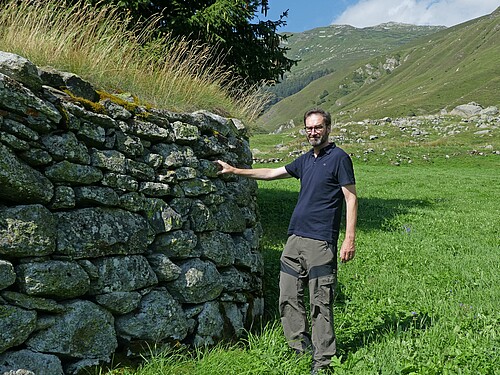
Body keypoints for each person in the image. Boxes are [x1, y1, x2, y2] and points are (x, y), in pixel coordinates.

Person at [217, 108, 357, 374]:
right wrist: (235, 170)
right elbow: (271, 173)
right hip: (294, 240)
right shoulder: (306, 160)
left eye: (317, 127)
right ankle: (299, 350)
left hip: (320, 242)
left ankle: (324, 361)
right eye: (309, 128)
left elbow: (350, 198)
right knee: (288, 297)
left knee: (320, 303)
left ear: (328, 128)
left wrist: (349, 239)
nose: (312, 132)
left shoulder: (339, 158)